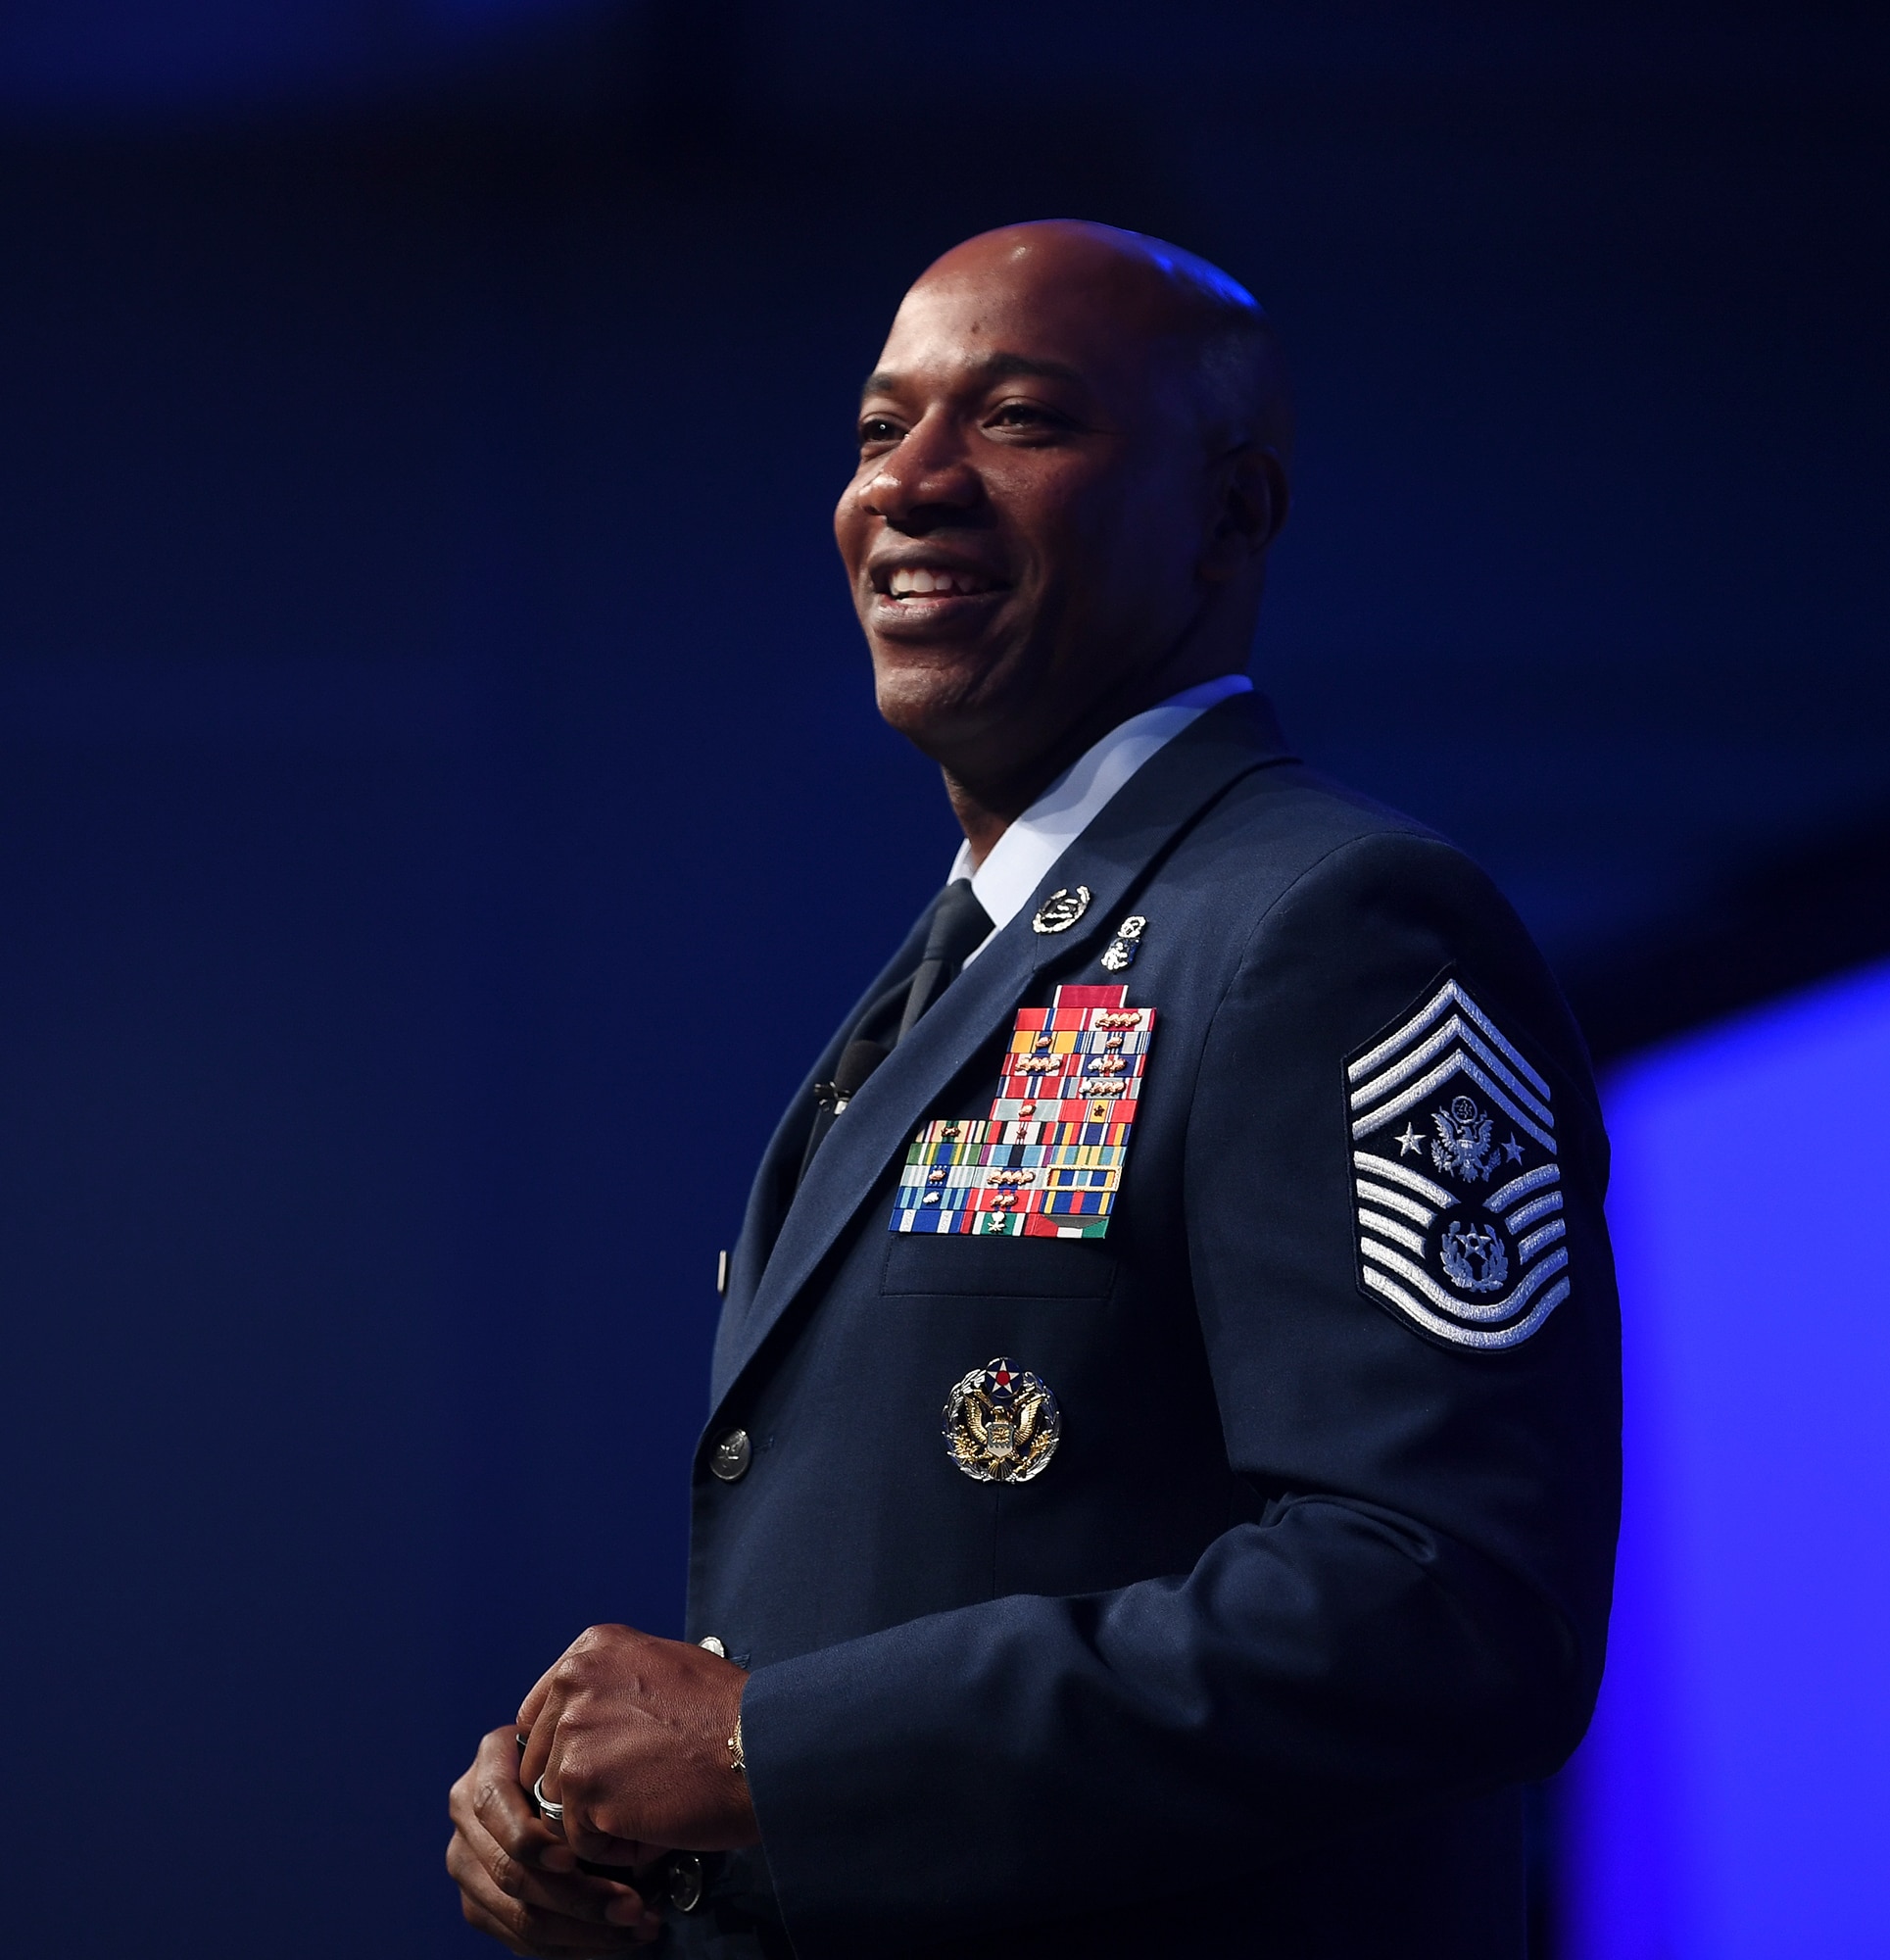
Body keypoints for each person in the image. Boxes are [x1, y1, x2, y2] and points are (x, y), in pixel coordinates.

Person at [446, 220, 1621, 1959]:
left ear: (1233, 512)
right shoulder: (962, 970)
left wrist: (767, 1751)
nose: (909, 484)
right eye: (876, 429)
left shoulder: (1330, 924)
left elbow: (1445, 1606)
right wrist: (616, 1823)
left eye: (1015, 419)